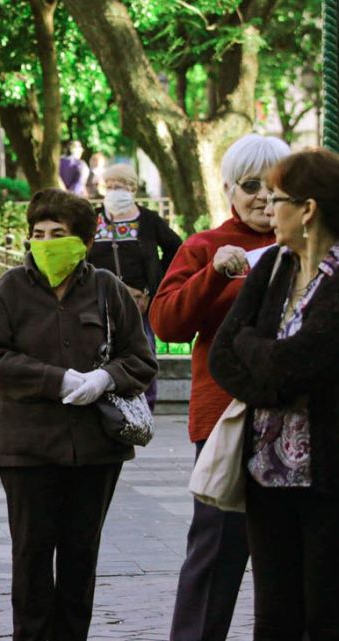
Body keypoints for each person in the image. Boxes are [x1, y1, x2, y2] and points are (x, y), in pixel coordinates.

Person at [0, 189, 157, 641]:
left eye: (58, 234)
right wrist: (54, 379)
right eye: (38, 234)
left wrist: (105, 379)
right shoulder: (12, 288)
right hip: (27, 449)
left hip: (95, 449)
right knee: (32, 557)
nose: (46, 242)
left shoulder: (107, 289)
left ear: (82, 241)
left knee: (81, 556)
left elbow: (142, 359)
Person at [149, 133, 291, 641]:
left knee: (291, 559)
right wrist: (212, 274)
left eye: (275, 186)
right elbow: (165, 323)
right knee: (217, 551)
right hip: (224, 422)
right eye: (250, 185)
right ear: (229, 189)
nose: (262, 197)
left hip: (299, 422)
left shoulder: (309, 247)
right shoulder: (205, 246)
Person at [208, 148, 339, 640]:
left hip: (328, 481)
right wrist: (270, 371)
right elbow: (224, 355)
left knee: (324, 615)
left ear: (308, 209)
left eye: (276, 195)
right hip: (266, 474)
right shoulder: (274, 268)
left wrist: (253, 347)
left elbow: (299, 363)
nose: (265, 203)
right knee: (273, 617)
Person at [86, 163, 182, 410]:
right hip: (101, 299)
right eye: (109, 186)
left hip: (140, 301)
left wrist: (155, 286)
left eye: (120, 186)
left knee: (144, 350)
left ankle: (144, 404)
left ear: (132, 188)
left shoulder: (148, 220)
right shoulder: (93, 219)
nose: (114, 191)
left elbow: (176, 247)